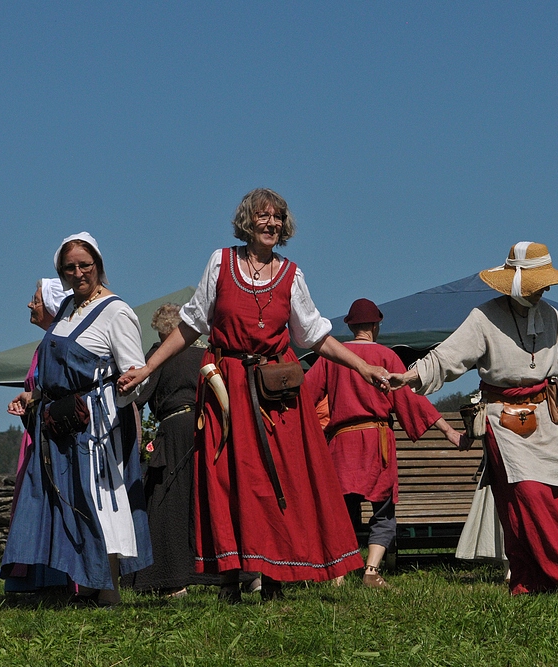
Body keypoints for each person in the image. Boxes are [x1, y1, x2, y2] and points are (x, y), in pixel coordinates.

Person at [117, 188, 380, 602]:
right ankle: (229, 580)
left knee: (280, 481)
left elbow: (315, 336)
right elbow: (189, 326)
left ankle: (274, 579)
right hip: (228, 389)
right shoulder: (220, 263)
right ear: (247, 221)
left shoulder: (292, 275)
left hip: (277, 394)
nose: (271, 223)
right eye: (263, 216)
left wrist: (363, 366)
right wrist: (148, 368)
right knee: (228, 481)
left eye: (278, 217)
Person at [390, 241, 558, 595]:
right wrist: (412, 377)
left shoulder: (548, 315)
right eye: (537, 283)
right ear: (518, 282)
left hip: (547, 420)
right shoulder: (483, 317)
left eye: (545, 283)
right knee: (531, 498)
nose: (544, 289)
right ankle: (557, 579)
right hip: (504, 420)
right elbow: (446, 357)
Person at [3, 232, 152, 606]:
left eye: (85, 265)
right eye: (70, 267)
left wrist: (115, 405)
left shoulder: (117, 311)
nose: (78, 272)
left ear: (98, 266)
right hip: (61, 423)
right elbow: (58, 373)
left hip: (98, 429)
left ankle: (109, 590)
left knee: (102, 502)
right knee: (68, 502)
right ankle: (84, 584)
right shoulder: (68, 307)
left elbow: (137, 374)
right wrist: (34, 394)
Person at [304, 298, 466, 589]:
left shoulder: (333, 357)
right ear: (376, 326)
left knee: (342, 511)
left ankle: (338, 575)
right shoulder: (387, 357)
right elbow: (413, 400)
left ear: (351, 326)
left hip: (342, 444)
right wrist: (448, 431)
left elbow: (304, 397)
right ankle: (370, 570)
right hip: (376, 441)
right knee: (383, 510)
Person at [124, 303, 208, 597]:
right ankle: (233, 575)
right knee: (206, 500)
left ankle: (169, 579)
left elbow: (140, 394)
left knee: (164, 502)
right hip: (206, 430)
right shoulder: (205, 355)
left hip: (174, 432)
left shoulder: (159, 355)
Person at [2, 278, 73, 592]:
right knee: (35, 505)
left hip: (52, 440)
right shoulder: (45, 345)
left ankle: (52, 580)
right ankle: (32, 577)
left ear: (52, 305)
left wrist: (34, 400)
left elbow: (59, 390)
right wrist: (26, 406)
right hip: (37, 436)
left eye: (36, 299)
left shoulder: (58, 344)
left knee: (47, 505)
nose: (30, 305)